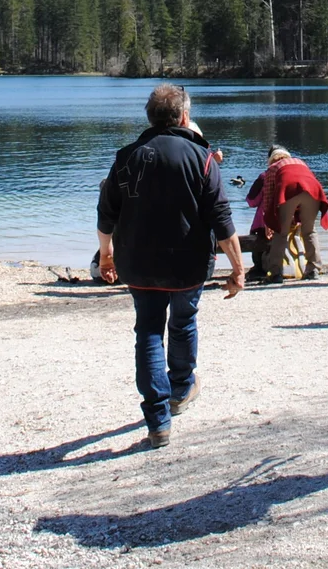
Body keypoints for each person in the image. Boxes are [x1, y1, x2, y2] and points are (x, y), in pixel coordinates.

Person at [96, 83, 245, 448]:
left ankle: (158, 420)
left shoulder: (126, 157)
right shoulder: (202, 157)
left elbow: (106, 214)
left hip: (139, 263)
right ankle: (180, 387)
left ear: (150, 117)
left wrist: (106, 253)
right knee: (182, 321)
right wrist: (238, 268)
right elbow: (222, 219)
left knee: (148, 331)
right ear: (183, 116)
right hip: (188, 263)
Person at [261, 146, 328, 282]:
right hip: (312, 190)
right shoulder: (299, 161)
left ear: (271, 160)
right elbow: (307, 181)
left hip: (289, 189)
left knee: (281, 232)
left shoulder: (272, 168)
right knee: (310, 230)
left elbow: (269, 197)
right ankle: (313, 269)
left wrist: (268, 220)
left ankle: (276, 273)